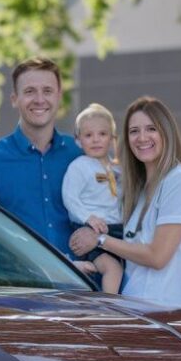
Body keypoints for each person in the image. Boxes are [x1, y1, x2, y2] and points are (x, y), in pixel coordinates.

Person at [69, 96, 181, 309]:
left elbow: (157, 256)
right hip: (131, 309)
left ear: (166, 131)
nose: (142, 137)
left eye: (151, 129)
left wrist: (100, 240)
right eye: (134, 131)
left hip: (162, 313)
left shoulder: (180, 180)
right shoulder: (137, 189)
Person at [0, 57, 81, 254]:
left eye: (47, 91)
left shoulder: (80, 153)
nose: (39, 99)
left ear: (59, 97)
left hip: (85, 281)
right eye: (29, 91)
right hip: (21, 284)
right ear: (14, 99)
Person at [61, 103, 124, 293]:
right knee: (113, 269)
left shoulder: (118, 169)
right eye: (88, 135)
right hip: (91, 229)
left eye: (102, 134)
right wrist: (89, 218)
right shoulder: (79, 166)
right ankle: (109, 308)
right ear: (78, 140)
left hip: (117, 230)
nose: (96, 140)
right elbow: (70, 198)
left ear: (113, 139)